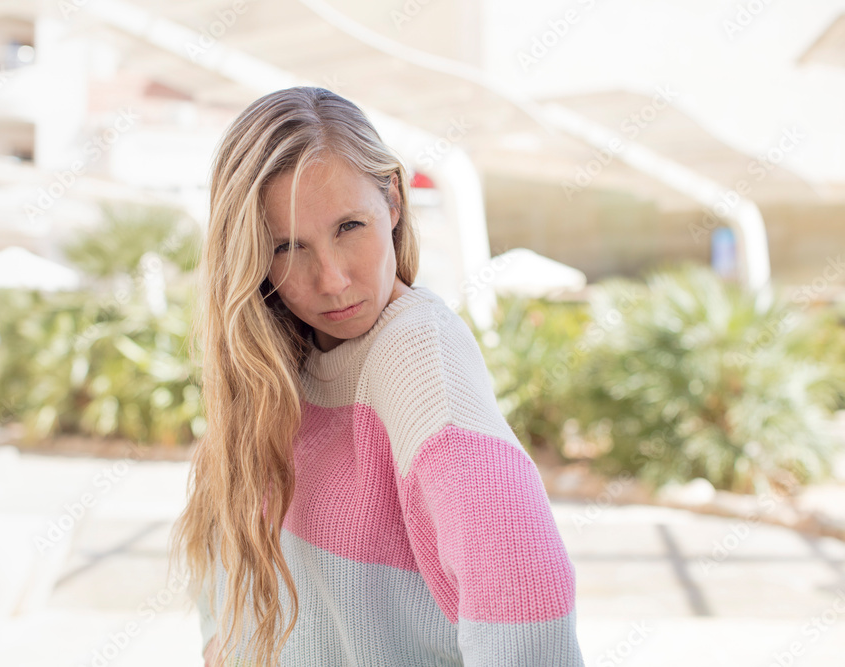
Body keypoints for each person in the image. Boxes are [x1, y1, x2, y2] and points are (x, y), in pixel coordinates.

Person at [169, 86, 585, 667]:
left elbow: (523, 582)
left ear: (392, 200)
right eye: (288, 247)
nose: (332, 279)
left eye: (349, 227)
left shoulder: (415, 352)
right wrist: (221, 643)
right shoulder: (274, 360)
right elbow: (226, 550)